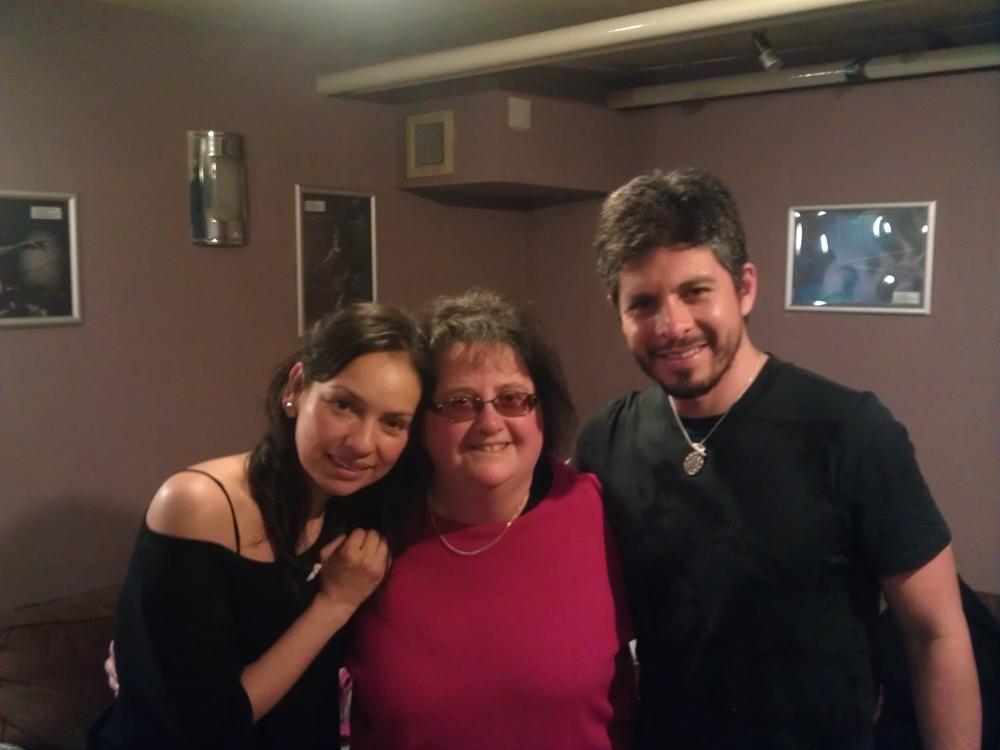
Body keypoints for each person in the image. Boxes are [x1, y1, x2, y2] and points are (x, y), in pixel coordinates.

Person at [575, 168, 981, 750]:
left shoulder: (849, 431)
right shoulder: (605, 441)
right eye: (643, 303)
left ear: (744, 289)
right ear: (618, 311)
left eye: (694, 292)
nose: (672, 326)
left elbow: (936, 633)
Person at [88, 302, 427, 750]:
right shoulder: (199, 504)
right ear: (297, 388)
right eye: (343, 405)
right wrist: (334, 604)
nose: (363, 444)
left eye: (392, 423)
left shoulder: (364, 508)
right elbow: (205, 728)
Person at [345, 288, 637, 750]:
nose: (489, 422)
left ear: (543, 411)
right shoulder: (370, 531)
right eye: (460, 402)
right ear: (422, 421)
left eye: (513, 399)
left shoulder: (599, 511)